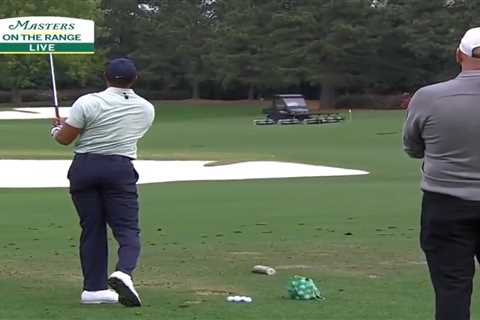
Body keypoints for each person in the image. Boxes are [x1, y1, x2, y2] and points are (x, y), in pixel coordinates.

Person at [51, 58, 155, 307]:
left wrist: (57, 129)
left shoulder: (88, 102)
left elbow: (65, 139)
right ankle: (123, 272)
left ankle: (93, 289)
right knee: (127, 229)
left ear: (105, 76)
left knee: (92, 228)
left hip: (85, 167)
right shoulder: (146, 108)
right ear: (135, 79)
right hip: (119, 167)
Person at [403, 27, 480, 320]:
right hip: (448, 205)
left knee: (452, 289)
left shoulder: (429, 97)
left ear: (458, 55)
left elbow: (412, 147)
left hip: (446, 205)